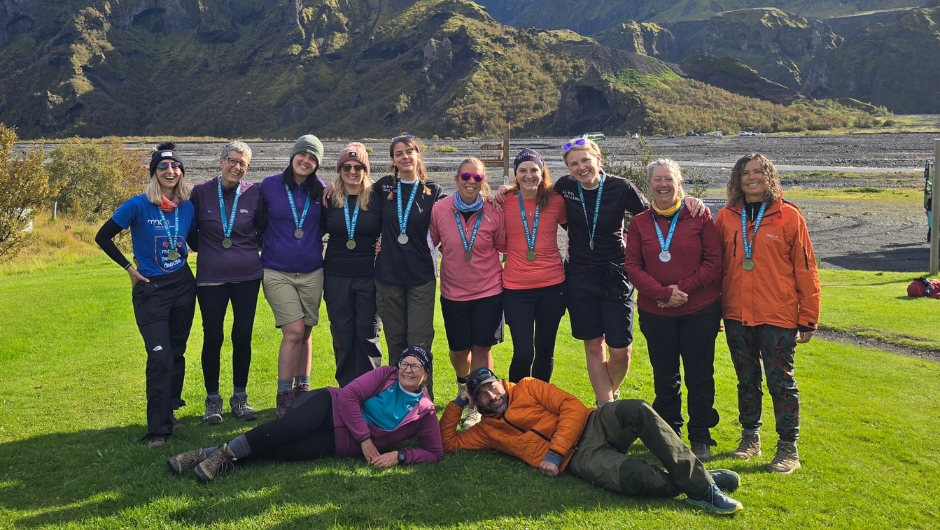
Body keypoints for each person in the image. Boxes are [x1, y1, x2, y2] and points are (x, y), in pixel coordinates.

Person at [440, 368, 744, 515]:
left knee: (636, 409)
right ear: (476, 403)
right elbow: (448, 443)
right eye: (483, 395)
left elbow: (571, 406)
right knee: (637, 479)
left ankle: (704, 489)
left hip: (592, 422)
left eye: (493, 388)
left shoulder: (528, 387)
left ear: (501, 382)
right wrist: (457, 401)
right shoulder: (486, 431)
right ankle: (696, 478)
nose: (493, 397)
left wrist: (555, 451)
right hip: (580, 460)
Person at [553, 138, 705, 405]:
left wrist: (685, 199)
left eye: (585, 160)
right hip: (579, 274)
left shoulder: (620, 186)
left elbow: (652, 213)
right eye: (573, 163)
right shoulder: (565, 187)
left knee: (621, 350)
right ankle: (606, 406)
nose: (581, 167)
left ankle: (609, 391)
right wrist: (507, 188)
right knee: (593, 344)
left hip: (616, 273)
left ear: (598, 159)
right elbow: (536, 196)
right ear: (568, 168)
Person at [168, 346, 442, 482]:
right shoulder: (386, 375)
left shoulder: (425, 412)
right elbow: (348, 396)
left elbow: (435, 451)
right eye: (404, 363)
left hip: (337, 443)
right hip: (327, 407)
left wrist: (401, 455)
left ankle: (205, 454)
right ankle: (216, 458)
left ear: (426, 374)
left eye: (415, 366)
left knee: (279, 451)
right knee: (288, 430)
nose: (407, 370)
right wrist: (365, 439)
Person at [715, 153, 820, 474]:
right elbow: (717, 267)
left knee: (781, 382)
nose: (752, 178)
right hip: (736, 313)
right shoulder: (725, 217)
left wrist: (809, 315)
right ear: (738, 179)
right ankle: (751, 438)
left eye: (758, 172)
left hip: (778, 315)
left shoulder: (789, 217)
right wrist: (714, 313)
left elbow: (806, 268)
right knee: (746, 380)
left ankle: (788, 448)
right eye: (745, 173)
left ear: (769, 176)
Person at [95, 142, 196, 448]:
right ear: (154, 172)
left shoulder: (187, 206)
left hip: (182, 285)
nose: (170, 171)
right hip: (150, 289)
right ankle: (157, 430)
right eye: (163, 167)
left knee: (177, 351)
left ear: (181, 172)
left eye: (175, 166)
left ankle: (170, 413)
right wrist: (128, 267)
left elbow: (193, 240)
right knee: (159, 356)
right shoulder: (137, 205)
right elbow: (103, 236)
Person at [623, 159, 722, 462]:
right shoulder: (639, 222)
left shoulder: (700, 215)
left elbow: (714, 261)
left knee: (699, 375)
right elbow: (633, 267)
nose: (663, 184)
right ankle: (669, 435)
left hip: (699, 310)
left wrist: (683, 291)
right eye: (657, 179)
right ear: (649, 184)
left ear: (680, 184)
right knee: (665, 376)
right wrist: (664, 293)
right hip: (657, 313)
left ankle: (701, 437)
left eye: (669, 179)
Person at [188, 141, 265, 424]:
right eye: (232, 161)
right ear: (221, 161)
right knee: (213, 337)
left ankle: (240, 397)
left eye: (243, 164)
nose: (237, 167)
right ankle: (213, 400)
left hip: (247, 277)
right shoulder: (200, 193)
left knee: (242, 335)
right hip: (211, 280)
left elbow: (263, 230)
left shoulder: (254, 193)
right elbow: (190, 232)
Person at [430, 157, 506, 427]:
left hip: (488, 290)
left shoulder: (494, 209)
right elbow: (429, 244)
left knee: (482, 348)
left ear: (483, 181)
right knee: (459, 351)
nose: (471, 182)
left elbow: (503, 246)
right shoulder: (440, 209)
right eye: (466, 177)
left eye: (477, 178)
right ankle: (464, 385)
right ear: (456, 179)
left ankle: (478, 402)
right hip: (453, 292)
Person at [259, 135, 327, 416]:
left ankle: (303, 388)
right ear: (293, 156)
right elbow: (257, 222)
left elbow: (326, 225)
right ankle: (284, 393)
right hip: (277, 271)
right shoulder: (269, 185)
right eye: (303, 155)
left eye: (313, 158)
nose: (306, 161)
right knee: (294, 330)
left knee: (307, 331)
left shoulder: (321, 189)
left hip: (312, 271)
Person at [373, 135, 446, 394]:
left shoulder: (433, 191)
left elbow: (460, 209)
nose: (404, 157)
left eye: (409, 152)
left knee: (420, 342)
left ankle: (423, 400)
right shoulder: (382, 188)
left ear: (418, 155)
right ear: (393, 160)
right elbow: (357, 206)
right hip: (388, 277)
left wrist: (497, 194)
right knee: (395, 341)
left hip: (421, 278)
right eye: (398, 153)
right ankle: (396, 398)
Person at [501, 149, 567, 383]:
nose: (529, 175)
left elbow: (580, 229)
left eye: (534, 170)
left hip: (553, 287)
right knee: (523, 353)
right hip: (516, 289)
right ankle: (516, 403)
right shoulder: (505, 201)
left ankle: (540, 403)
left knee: (545, 352)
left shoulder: (556, 200)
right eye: (523, 170)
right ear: (516, 175)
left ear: (542, 172)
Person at [322, 142, 383, 386]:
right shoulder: (327, 197)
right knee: (342, 333)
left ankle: (370, 389)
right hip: (336, 275)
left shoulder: (378, 197)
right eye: (346, 166)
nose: (352, 171)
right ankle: (347, 390)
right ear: (339, 169)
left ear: (366, 170)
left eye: (358, 166)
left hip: (369, 275)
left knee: (368, 333)